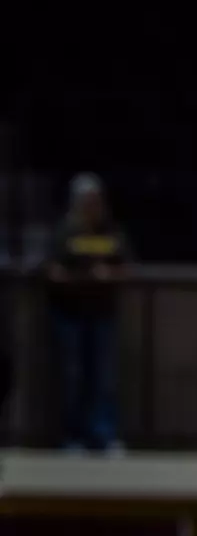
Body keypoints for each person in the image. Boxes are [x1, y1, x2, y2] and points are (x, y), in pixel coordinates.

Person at [43, 173, 133, 454]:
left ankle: (103, 436)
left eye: (96, 201)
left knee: (103, 378)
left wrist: (109, 274)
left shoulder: (110, 232)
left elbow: (125, 266)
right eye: (87, 201)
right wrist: (79, 278)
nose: (92, 206)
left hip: (102, 314)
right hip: (70, 314)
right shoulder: (65, 232)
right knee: (73, 377)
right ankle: (73, 436)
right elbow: (52, 270)